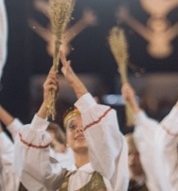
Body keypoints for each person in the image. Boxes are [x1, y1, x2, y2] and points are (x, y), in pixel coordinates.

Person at [15, 51, 129, 190]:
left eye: (86, 126)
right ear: (67, 141)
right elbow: (29, 160)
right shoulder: (57, 180)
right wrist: (47, 103)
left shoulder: (108, 173)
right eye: (72, 127)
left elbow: (106, 134)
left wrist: (74, 83)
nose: (79, 129)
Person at [120, 82, 167, 191]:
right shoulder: (117, 184)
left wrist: (133, 104)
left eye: (137, 154)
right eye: (129, 154)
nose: (132, 159)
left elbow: (151, 134)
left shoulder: (155, 184)